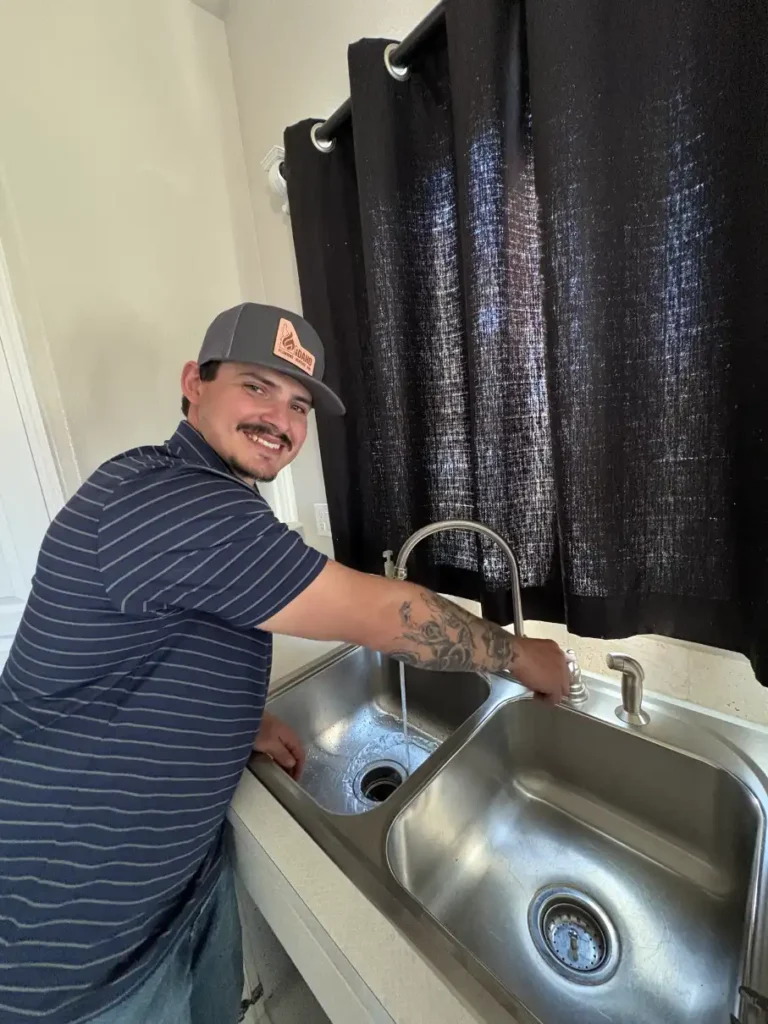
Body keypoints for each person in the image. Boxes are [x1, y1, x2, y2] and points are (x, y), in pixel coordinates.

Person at [0, 302, 568, 1024]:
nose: (281, 419)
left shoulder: (198, 500)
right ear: (193, 384)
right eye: (256, 387)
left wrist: (243, 721)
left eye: (298, 403)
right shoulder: (170, 502)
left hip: (181, 887)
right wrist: (523, 656)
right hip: (71, 935)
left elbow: (159, 649)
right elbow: (391, 617)